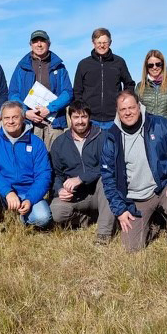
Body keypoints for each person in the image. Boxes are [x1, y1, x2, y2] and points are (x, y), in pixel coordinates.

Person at [101, 90, 167, 252]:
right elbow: (108, 178)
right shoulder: (111, 137)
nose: (128, 112)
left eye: (131, 107)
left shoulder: (160, 125)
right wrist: (120, 210)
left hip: (163, 186)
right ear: (117, 111)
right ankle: (152, 225)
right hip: (135, 198)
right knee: (131, 248)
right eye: (123, 110)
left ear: (139, 106)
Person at [0, 101, 52, 246]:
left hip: (27, 192)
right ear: (1, 120)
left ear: (23, 118)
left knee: (43, 218)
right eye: (6, 118)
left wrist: (30, 199)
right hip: (1, 192)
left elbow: (44, 175)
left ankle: (20, 216)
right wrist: (8, 192)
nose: (10, 121)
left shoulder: (36, 143)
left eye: (15, 117)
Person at [49, 100, 115, 244]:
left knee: (107, 180)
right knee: (57, 211)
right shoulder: (59, 143)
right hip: (77, 195)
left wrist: (81, 178)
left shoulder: (103, 137)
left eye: (84, 117)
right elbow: (57, 174)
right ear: (70, 118)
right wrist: (59, 189)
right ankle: (87, 219)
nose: (80, 121)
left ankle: (103, 234)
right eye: (76, 117)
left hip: (99, 192)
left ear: (89, 117)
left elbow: (109, 166)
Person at [8, 30, 72, 151]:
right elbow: (13, 93)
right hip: (29, 122)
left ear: (49, 43)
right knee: (30, 158)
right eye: (35, 41)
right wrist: (25, 112)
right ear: (30, 44)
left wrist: (49, 109)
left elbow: (67, 93)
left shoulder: (59, 66)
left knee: (55, 159)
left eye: (42, 41)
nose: (39, 44)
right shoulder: (21, 67)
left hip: (54, 122)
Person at [73, 27, 135, 129]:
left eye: (105, 42)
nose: (102, 46)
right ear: (93, 43)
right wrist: (82, 111)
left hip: (114, 118)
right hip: (90, 118)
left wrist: (124, 102)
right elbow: (77, 90)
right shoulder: (83, 64)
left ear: (110, 42)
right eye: (99, 42)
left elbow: (129, 84)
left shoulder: (119, 62)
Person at [136, 49, 167, 131]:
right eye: (150, 65)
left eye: (158, 64)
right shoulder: (140, 86)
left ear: (163, 65)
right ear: (146, 67)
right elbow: (136, 112)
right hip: (148, 133)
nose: (154, 67)